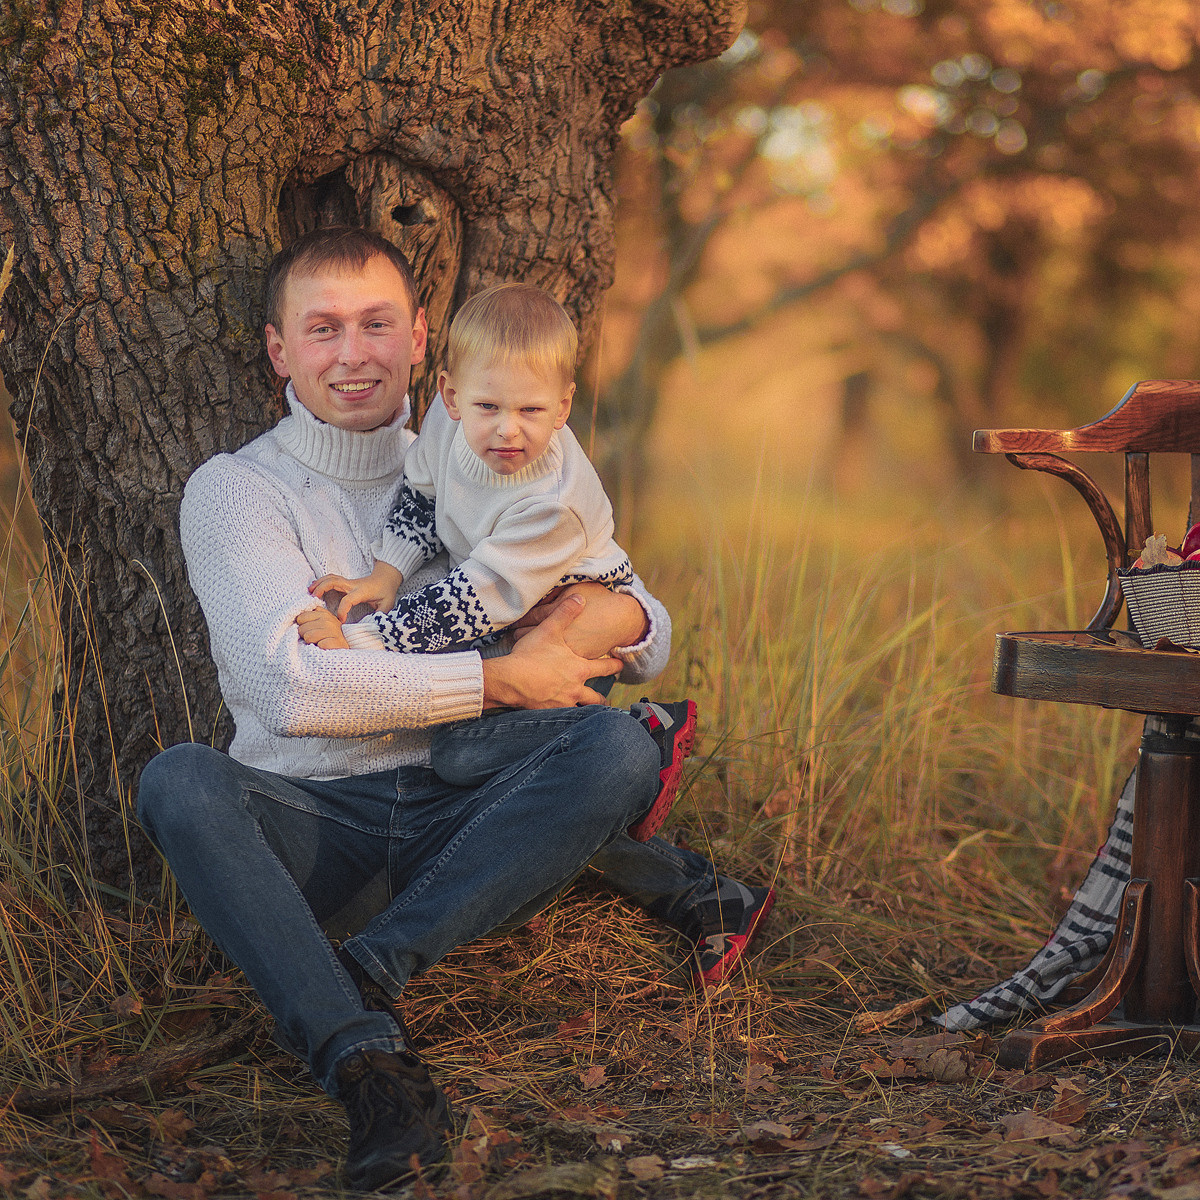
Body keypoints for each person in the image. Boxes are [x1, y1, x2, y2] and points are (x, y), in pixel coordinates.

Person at [135, 226, 775, 1191]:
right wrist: (498, 679)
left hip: (467, 803)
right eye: (322, 329)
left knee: (609, 752)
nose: (353, 353)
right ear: (279, 350)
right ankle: (373, 1072)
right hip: (321, 822)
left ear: (421, 337)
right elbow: (285, 689)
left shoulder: (489, 437)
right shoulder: (236, 492)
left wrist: (621, 615)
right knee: (180, 781)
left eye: (376, 323)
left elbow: (643, 624)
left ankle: (366, 972)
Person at [294, 281, 693, 842]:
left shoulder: (553, 503)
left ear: (564, 407)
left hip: (572, 618)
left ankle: (636, 738)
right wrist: (388, 572)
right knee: (476, 765)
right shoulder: (444, 425)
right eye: (488, 407)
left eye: (532, 409)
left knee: (458, 756)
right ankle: (597, 795)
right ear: (451, 397)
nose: (508, 429)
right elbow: (423, 493)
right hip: (505, 608)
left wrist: (363, 640)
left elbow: (471, 603)